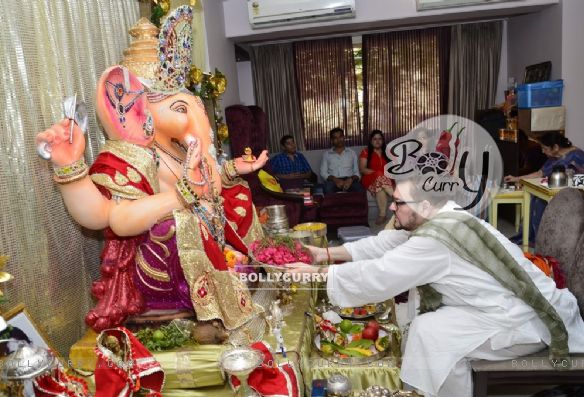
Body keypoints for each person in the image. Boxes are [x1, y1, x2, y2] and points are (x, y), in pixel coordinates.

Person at [34, 6, 268, 344]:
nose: (191, 119)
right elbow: (107, 218)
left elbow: (209, 188)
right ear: (135, 109)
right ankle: (184, 306)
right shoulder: (129, 155)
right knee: (176, 223)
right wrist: (71, 168)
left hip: (206, 244)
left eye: (193, 108)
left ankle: (220, 289)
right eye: (178, 109)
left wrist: (230, 170)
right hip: (158, 258)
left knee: (239, 195)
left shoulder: (176, 148)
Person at [286, 178, 584, 397]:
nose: (391, 206)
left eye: (398, 202)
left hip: (521, 318)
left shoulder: (434, 241)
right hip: (505, 304)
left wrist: (315, 274)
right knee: (418, 322)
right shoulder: (444, 215)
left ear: (425, 205)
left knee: (429, 334)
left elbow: (379, 275)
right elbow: (385, 243)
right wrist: (324, 255)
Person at [505, 131, 584, 241]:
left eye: (545, 148)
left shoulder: (577, 156)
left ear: (555, 147)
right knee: (535, 197)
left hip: (575, 195)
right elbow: (540, 173)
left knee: (540, 203)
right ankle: (532, 237)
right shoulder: (555, 157)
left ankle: (541, 240)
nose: (542, 151)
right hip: (556, 191)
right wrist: (516, 178)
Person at [359, 130, 393, 225]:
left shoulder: (388, 152)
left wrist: (382, 175)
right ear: (371, 141)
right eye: (375, 139)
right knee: (379, 176)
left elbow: (394, 168)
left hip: (386, 179)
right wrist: (378, 173)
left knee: (380, 187)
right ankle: (397, 197)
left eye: (380, 139)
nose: (377, 141)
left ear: (383, 141)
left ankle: (382, 215)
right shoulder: (365, 152)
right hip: (370, 178)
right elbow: (363, 169)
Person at [320, 127, 364, 194]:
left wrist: (350, 179)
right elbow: (323, 173)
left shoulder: (352, 153)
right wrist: (335, 180)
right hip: (333, 181)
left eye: (340, 137)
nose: (339, 140)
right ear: (332, 140)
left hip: (350, 180)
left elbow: (357, 173)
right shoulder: (326, 154)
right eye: (335, 138)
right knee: (327, 189)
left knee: (360, 190)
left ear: (344, 137)